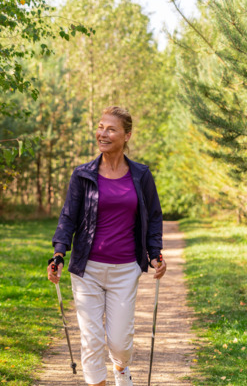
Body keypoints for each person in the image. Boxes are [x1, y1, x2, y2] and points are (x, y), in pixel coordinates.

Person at [47, 106, 167, 386]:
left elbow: (153, 217)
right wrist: (59, 252)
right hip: (87, 268)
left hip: (125, 269)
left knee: (120, 342)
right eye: (100, 127)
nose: (102, 133)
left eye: (111, 129)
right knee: (91, 339)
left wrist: (154, 254)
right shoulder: (83, 174)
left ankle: (121, 368)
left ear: (127, 135)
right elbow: (68, 216)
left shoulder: (141, 175)